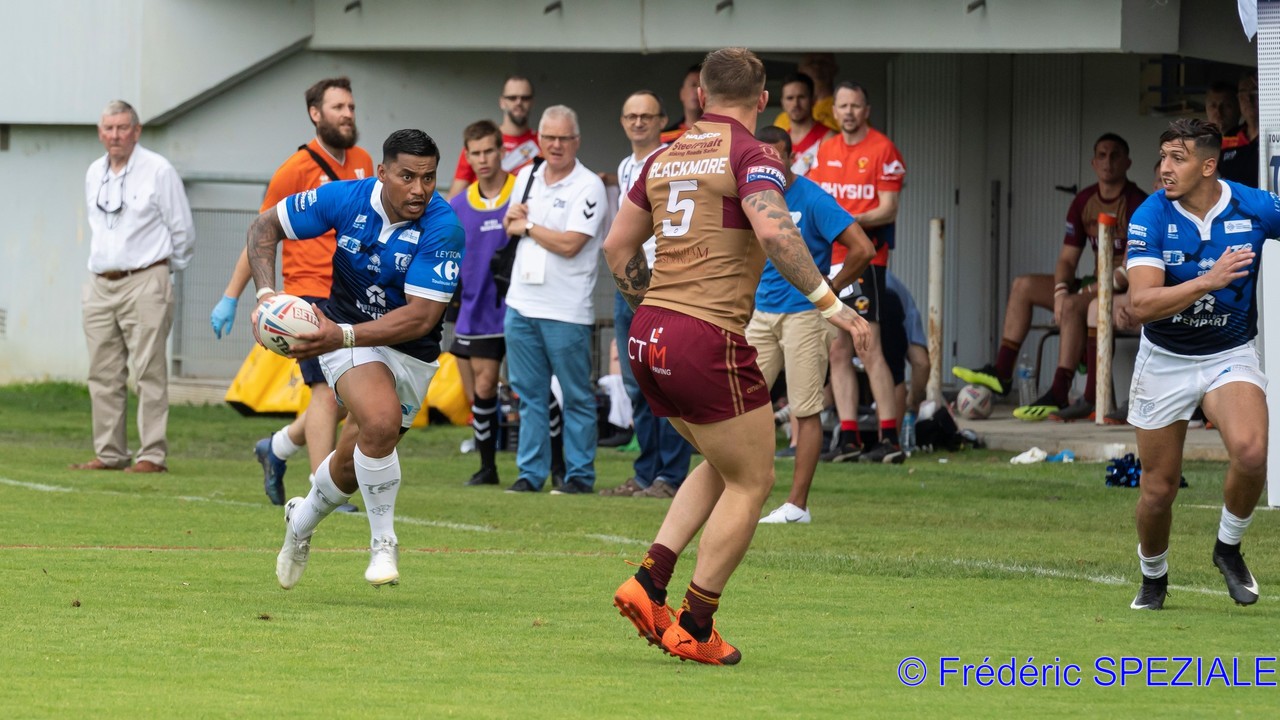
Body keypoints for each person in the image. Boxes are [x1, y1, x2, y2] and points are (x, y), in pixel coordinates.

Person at [605, 47, 871, 665]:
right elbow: (775, 232)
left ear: (700, 96)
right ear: (763, 100)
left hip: (648, 332)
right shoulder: (753, 154)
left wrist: (657, 309)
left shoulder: (664, 155)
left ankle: (648, 582)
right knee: (755, 479)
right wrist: (832, 305)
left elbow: (618, 247)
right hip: (705, 336)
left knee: (724, 461)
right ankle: (696, 624)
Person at [248, 129, 465, 589]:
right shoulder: (345, 198)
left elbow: (422, 318)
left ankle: (299, 523)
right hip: (347, 338)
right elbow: (264, 227)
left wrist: (341, 334)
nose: (419, 189)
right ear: (382, 172)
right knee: (382, 422)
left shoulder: (444, 227)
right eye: (407, 177)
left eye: (428, 178)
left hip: (410, 352)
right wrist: (266, 296)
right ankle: (384, 542)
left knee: (349, 466)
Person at [1125, 118, 1278, 610]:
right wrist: (1207, 281)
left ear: (1209, 166)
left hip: (1228, 354)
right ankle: (1154, 576)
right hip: (1165, 359)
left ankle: (1227, 548)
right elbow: (1140, 305)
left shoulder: (1254, 206)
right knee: (1158, 490)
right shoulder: (1150, 215)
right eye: (1163, 156)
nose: (1164, 168)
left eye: (1178, 158)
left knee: (1252, 453)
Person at [210, 77, 373, 506]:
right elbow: (261, 235)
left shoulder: (364, 160)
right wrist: (232, 296)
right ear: (315, 114)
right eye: (338, 107)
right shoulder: (294, 170)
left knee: (348, 396)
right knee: (326, 393)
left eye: (351, 107)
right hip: (308, 295)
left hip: (353, 292)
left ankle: (278, 447)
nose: (348, 114)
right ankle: (325, 491)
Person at [952, 134, 1147, 421]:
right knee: (1023, 286)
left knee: (1072, 305)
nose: (1108, 161)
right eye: (1102, 155)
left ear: (1128, 162)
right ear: (1093, 162)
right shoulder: (1084, 200)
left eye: (1115, 155)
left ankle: (1059, 391)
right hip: (1094, 282)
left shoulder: (1138, 201)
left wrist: (1075, 296)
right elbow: (1067, 259)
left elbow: (1129, 271)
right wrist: (1059, 292)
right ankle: (1002, 372)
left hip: (1122, 288)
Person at [752, 125, 875, 524]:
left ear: (792, 158)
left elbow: (863, 248)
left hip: (805, 315)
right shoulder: (752, 195)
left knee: (805, 410)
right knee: (739, 404)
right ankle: (740, 490)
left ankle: (797, 506)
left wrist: (830, 289)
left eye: (777, 156)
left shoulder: (813, 197)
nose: (769, 164)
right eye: (762, 157)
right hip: (760, 313)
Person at [71, 100, 194, 474]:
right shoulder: (94, 172)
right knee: (102, 372)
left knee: (148, 371)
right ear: (100, 133)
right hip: (99, 282)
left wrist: (161, 273)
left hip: (145, 279)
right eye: (108, 128)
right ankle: (109, 452)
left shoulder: (159, 170)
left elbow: (183, 231)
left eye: (123, 128)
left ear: (136, 131)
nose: (115, 135)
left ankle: (151, 454)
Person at [501, 105, 607, 495]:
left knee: (576, 395)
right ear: (539, 140)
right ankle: (530, 473)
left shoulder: (589, 185)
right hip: (521, 303)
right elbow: (509, 225)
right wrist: (516, 222)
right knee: (529, 396)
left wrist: (528, 225)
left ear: (577, 141)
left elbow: (571, 244)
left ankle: (579, 474)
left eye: (564, 138)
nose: (556, 145)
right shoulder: (526, 175)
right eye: (549, 137)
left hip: (566, 309)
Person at [599, 90, 696, 499]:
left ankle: (670, 476)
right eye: (631, 116)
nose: (638, 122)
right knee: (637, 383)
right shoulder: (627, 166)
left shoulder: (671, 160)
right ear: (623, 122)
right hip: (628, 279)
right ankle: (646, 473)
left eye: (646, 116)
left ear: (661, 121)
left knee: (666, 379)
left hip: (661, 279)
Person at [807, 81, 908, 464]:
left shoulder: (883, 149)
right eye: (843, 106)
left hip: (866, 258)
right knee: (837, 350)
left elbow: (889, 208)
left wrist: (846, 222)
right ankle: (848, 437)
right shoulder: (826, 149)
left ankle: (890, 438)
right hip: (828, 259)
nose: (848, 112)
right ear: (834, 111)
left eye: (855, 106)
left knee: (869, 347)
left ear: (867, 110)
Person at [448, 120, 515, 487]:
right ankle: (488, 467)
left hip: (522, 307)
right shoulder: (458, 205)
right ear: (468, 157)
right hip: (478, 311)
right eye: (476, 153)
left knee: (532, 387)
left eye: (490, 150)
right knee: (484, 387)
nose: (484, 158)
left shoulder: (523, 192)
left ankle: (555, 468)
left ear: (502, 151)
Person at [446, 76, 540, 199]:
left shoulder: (544, 142)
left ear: (532, 102)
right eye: (512, 98)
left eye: (525, 98)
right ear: (502, 102)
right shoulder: (481, 141)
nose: (519, 102)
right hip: (482, 207)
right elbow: (453, 198)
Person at [773, 72, 833, 177]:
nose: (795, 104)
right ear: (782, 103)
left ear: (813, 100)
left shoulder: (829, 138)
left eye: (801, 97)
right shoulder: (780, 141)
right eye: (790, 98)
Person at [769, 53, 839, 133]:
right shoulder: (783, 118)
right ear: (800, 68)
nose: (817, 67)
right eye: (811, 63)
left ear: (834, 68)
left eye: (823, 62)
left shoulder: (842, 107)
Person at [1219, 71, 1259, 188]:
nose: (1248, 99)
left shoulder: (1273, 137)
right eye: (1243, 94)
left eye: (1255, 92)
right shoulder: (1230, 137)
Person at [659, 65, 703, 144]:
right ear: (682, 93)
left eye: (702, 86)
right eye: (693, 85)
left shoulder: (721, 132)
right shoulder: (664, 137)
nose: (697, 91)